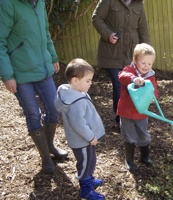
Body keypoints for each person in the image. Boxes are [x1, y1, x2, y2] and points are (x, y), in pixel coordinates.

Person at [0, 0, 68, 174]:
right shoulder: (8, 4)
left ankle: (50, 145)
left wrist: (52, 57)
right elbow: (0, 41)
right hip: (20, 71)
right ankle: (45, 156)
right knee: (33, 114)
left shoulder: (40, 3)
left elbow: (45, 32)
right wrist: (8, 76)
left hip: (42, 68)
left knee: (53, 109)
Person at [92, 0, 150, 126]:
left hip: (132, 55)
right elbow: (96, 18)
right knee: (119, 84)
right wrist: (108, 34)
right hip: (112, 53)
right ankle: (121, 120)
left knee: (134, 85)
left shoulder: (138, 4)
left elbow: (143, 30)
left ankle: (134, 116)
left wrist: (147, 55)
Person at [54, 58, 105, 200]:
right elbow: (78, 124)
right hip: (83, 140)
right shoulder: (75, 101)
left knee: (90, 160)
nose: (91, 83)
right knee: (85, 163)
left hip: (85, 140)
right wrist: (90, 137)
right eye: (88, 81)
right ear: (75, 81)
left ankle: (88, 178)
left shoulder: (75, 93)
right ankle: (86, 189)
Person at [117, 43, 157, 171]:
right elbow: (122, 77)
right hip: (126, 111)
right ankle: (129, 160)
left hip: (142, 112)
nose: (146, 67)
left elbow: (154, 90)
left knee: (143, 135)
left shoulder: (150, 77)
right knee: (129, 136)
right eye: (143, 63)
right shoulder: (129, 71)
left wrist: (152, 97)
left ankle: (145, 157)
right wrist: (134, 78)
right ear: (135, 60)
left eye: (149, 64)